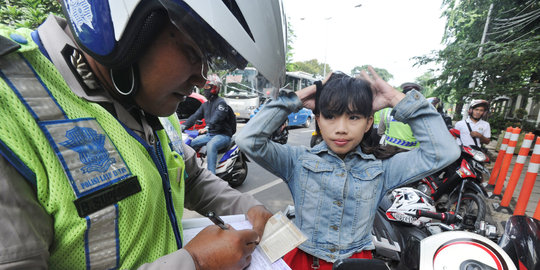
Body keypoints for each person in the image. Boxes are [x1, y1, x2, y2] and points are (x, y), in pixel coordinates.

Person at [0, 0, 286, 269]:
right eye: (192, 52)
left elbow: (192, 177)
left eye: (208, 62)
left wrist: (250, 208)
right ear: (129, 28)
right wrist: (196, 263)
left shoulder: (146, 101)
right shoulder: (11, 107)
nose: (202, 77)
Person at [236, 67, 460, 269]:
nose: (341, 129)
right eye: (330, 116)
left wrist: (395, 98)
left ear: (368, 123)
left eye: (353, 117)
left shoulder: (382, 169)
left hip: (355, 263)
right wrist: (295, 99)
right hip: (303, 261)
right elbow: (247, 139)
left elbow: (444, 152)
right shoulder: (297, 161)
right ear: (318, 119)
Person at [182, 75, 236, 174]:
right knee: (190, 144)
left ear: (215, 88)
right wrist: (182, 126)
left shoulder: (221, 103)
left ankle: (212, 175)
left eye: (207, 87)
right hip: (210, 135)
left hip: (223, 135)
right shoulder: (205, 105)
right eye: (204, 87)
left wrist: (207, 127)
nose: (205, 89)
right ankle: (193, 171)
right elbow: (194, 117)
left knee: (211, 145)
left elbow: (217, 117)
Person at [374, 82, 422, 150]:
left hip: (388, 151)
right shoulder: (421, 112)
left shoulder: (388, 110)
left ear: (402, 94)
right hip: (411, 153)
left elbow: (380, 132)